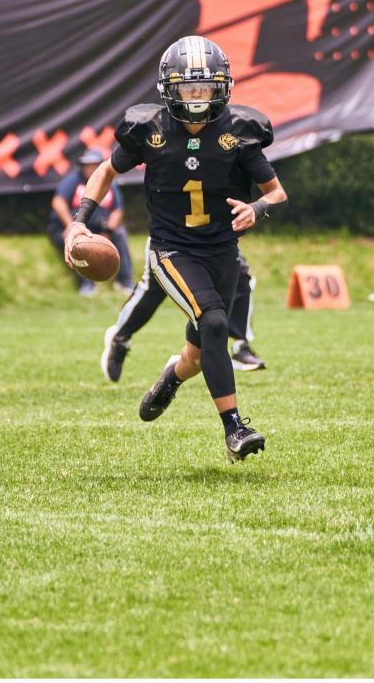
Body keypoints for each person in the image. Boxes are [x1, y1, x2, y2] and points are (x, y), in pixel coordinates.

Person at [65, 36, 287, 462]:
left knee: (200, 351)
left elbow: (276, 193)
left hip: (221, 249)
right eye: (189, 89)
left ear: (222, 88)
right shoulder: (149, 131)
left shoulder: (239, 134)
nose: (199, 99)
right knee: (216, 322)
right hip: (172, 249)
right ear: (170, 90)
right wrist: (80, 221)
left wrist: (257, 208)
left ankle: (171, 377)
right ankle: (235, 430)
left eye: (205, 89)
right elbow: (104, 173)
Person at [100, 239, 265, 382]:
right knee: (153, 290)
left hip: (213, 238)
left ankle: (240, 345)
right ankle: (120, 338)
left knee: (240, 275)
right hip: (171, 237)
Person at [48, 148, 133, 296]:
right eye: (87, 165)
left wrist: (108, 231)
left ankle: (125, 282)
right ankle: (86, 284)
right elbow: (58, 202)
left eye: (94, 165)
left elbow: (117, 210)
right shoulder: (73, 180)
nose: (90, 168)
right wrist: (70, 225)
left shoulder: (109, 182)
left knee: (120, 233)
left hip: (100, 227)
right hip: (75, 226)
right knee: (77, 244)